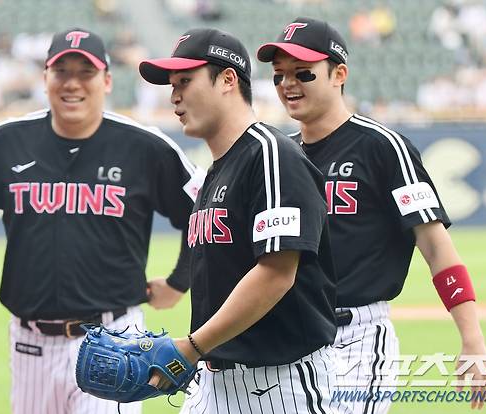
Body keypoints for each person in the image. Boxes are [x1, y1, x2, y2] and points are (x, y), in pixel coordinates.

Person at [0, 27, 203, 414]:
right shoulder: (5, 142)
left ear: (106, 80)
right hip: (29, 343)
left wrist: (179, 281)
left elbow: (204, 211)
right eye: (61, 72)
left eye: (85, 73)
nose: (73, 84)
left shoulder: (144, 146)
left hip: (115, 338)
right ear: (45, 79)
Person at [257, 16, 486, 413]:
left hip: (357, 338)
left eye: (303, 73)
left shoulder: (382, 146)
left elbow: (436, 248)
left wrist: (473, 341)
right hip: (290, 335)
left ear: (339, 74)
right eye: (279, 75)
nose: (288, 84)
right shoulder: (281, 155)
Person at [138, 28, 341, 413]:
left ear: (228, 79)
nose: (174, 96)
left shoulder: (270, 154)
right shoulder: (217, 170)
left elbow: (277, 272)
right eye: (171, 85)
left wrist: (192, 346)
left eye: (185, 80)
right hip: (215, 379)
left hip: (278, 385)